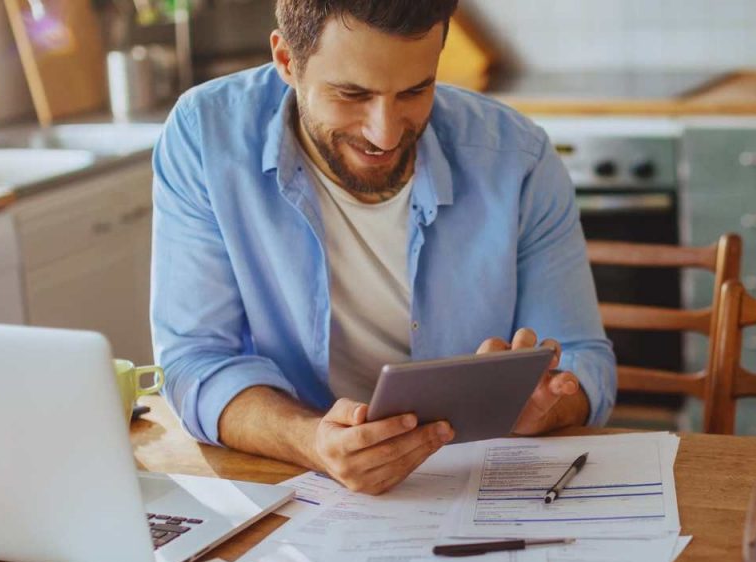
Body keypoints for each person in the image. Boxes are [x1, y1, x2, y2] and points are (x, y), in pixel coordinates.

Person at [151, 0, 615, 495]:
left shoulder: (516, 157)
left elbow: (584, 360)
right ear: (286, 60)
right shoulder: (206, 135)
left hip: (476, 481)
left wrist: (542, 408)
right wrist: (310, 441)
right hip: (294, 485)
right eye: (352, 94)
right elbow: (195, 360)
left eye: (416, 90)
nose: (385, 132)